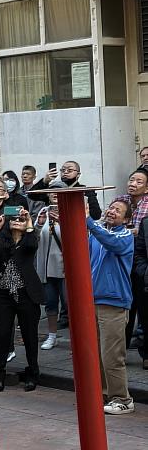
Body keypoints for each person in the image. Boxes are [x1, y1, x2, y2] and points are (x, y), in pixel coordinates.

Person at [0, 208, 43, 393]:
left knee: (30, 336)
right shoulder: (2, 240)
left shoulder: (28, 241)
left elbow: (32, 244)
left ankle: (32, 373)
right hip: (3, 294)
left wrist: (30, 222)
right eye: (14, 219)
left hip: (27, 294)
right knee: (1, 334)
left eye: (21, 220)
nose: (17, 221)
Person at [87, 198, 135, 415]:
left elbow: (111, 242)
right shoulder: (96, 234)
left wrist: (88, 221)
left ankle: (123, 399)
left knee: (112, 355)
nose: (112, 211)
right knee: (97, 354)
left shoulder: (124, 236)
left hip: (114, 303)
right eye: (111, 208)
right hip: (94, 301)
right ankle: (106, 394)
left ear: (126, 219)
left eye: (118, 210)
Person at [116, 168, 148, 352]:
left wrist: (138, 233)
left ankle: (145, 353)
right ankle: (121, 350)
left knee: (144, 309)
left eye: (138, 181)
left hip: (140, 259)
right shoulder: (120, 201)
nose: (133, 184)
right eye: (131, 180)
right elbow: (108, 222)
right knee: (124, 308)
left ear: (146, 188)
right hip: (121, 259)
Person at [34, 183, 67, 350]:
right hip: (47, 267)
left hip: (66, 267)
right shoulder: (43, 212)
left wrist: (62, 222)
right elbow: (34, 238)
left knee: (70, 303)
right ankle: (52, 336)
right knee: (51, 303)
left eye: (58, 191)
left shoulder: (71, 210)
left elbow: (79, 237)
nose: (54, 194)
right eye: (52, 191)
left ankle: (78, 336)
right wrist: (39, 225)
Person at [29, 161, 102, 219]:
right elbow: (31, 195)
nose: (65, 172)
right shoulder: (55, 189)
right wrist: (45, 181)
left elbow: (96, 214)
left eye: (70, 170)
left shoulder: (84, 191)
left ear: (78, 174)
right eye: (63, 170)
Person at [134, 215, 148, 370]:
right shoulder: (146, 222)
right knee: (146, 319)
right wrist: (144, 272)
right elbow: (139, 252)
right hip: (146, 281)